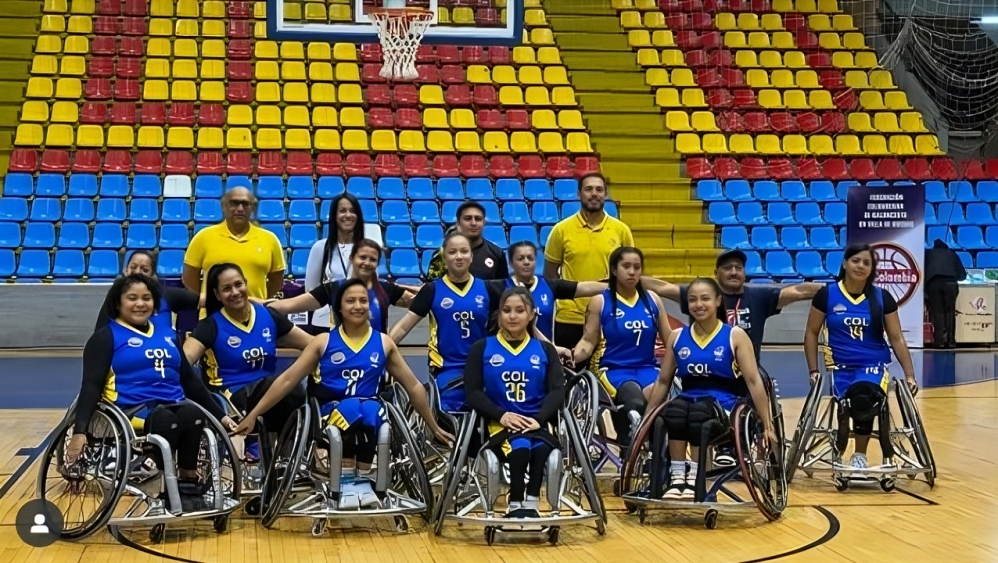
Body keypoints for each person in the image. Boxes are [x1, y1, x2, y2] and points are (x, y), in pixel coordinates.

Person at [233, 279, 453, 509]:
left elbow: (414, 386)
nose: (358, 306)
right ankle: (347, 480)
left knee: (370, 409)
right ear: (339, 307)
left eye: (363, 301)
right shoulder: (322, 342)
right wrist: (253, 415)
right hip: (328, 411)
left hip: (369, 409)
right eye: (350, 301)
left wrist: (434, 426)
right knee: (352, 408)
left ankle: (363, 480)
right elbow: (288, 380)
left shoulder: (384, 343)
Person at [66, 274, 235, 510]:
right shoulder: (105, 337)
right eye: (132, 298)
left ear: (154, 303)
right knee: (167, 419)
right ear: (118, 303)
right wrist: (80, 432)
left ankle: (188, 486)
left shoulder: (168, 335)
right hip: (129, 411)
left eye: (146, 298)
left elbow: (189, 379)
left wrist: (221, 416)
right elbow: (91, 385)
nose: (140, 303)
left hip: (173, 405)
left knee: (194, 415)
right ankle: (148, 469)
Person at [644, 277, 777, 499]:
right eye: (692, 299)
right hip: (688, 399)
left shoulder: (734, 335)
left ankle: (695, 477)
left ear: (718, 301)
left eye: (705, 299)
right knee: (674, 411)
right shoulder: (677, 337)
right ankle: (678, 478)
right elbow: (664, 381)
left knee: (698, 414)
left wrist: (767, 424)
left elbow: (754, 380)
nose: (698, 304)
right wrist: (647, 417)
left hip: (723, 405)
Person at [803, 243, 918, 473]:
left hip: (872, 365)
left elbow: (896, 337)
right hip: (839, 366)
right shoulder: (827, 294)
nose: (860, 266)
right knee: (846, 404)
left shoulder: (882, 297)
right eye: (855, 261)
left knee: (863, 398)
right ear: (845, 264)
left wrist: (910, 375)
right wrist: (813, 370)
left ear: (871, 269)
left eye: (866, 263)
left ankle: (859, 455)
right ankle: (838, 448)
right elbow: (811, 333)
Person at [182, 264, 313, 448]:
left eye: (238, 285)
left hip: (269, 393)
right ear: (217, 295)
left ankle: (292, 453)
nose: (235, 292)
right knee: (287, 387)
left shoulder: (268, 315)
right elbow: (182, 361)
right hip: (231, 397)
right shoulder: (210, 326)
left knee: (296, 386)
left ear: (246, 283)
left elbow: (312, 344)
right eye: (227, 289)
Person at [464, 287, 565, 516]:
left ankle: (532, 503)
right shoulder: (482, 348)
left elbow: (557, 391)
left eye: (520, 310)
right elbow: (473, 393)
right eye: (506, 310)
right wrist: (501, 415)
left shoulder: (545, 350)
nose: (512, 316)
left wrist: (539, 419)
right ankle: (515, 503)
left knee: (541, 449)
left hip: (536, 423)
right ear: (498, 314)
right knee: (520, 448)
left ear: (531, 315)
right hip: (499, 424)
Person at [642, 249, 821, 362]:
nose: (734, 272)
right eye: (727, 268)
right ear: (716, 273)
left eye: (739, 268)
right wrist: (628, 280)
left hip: (747, 372)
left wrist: (833, 289)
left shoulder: (759, 296)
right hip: (707, 368)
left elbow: (799, 291)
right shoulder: (701, 296)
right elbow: (661, 287)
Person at [571, 247, 672, 447]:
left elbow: (670, 339)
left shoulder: (653, 300)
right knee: (634, 402)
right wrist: (572, 355)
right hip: (612, 369)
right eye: (626, 266)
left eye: (637, 267)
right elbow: (588, 341)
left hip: (647, 368)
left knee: (661, 406)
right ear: (614, 270)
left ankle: (656, 456)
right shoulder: (600, 301)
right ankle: (628, 451)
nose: (632, 272)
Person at [543, 173, 634, 354]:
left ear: (605, 194)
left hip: (609, 314)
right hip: (569, 317)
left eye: (599, 189)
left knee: (609, 369)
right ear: (579, 194)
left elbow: (629, 275)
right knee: (569, 368)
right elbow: (550, 277)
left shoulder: (621, 230)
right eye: (588, 189)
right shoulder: (561, 230)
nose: (594, 194)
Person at [269, 239, 415, 334]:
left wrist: (392, 339)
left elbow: (420, 302)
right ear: (352, 258)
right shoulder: (333, 288)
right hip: (340, 359)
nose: (367, 263)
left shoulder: (386, 290)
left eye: (373, 259)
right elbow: (288, 305)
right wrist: (257, 304)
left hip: (376, 361)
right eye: (362, 257)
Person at [183, 187, 286, 312]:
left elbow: (276, 279)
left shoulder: (270, 239)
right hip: (213, 315)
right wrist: (210, 298)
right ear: (223, 206)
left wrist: (256, 300)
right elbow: (189, 277)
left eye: (245, 204)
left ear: (252, 208)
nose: (240, 209)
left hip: (256, 315)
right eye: (234, 203)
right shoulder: (203, 237)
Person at [504, 241, 607, 341]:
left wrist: (613, 286)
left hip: (544, 351)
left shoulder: (549, 285)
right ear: (511, 263)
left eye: (530, 258)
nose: (526, 262)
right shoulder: (501, 287)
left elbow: (584, 288)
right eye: (520, 258)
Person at [304, 193, 367, 329]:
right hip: (324, 321)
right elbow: (311, 289)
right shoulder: (320, 247)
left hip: (358, 320)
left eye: (352, 211)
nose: (348, 215)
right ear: (334, 216)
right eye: (342, 211)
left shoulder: (367, 249)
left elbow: (372, 287)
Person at [95, 250, 199, 330]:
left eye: (144, 270)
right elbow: (100, 330)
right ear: (126, 271)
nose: (137, 272)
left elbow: (199, 300)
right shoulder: (115, 294)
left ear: (153, 276)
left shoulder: (166, 295)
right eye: (133, 267)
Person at [426, 201, 508, 281]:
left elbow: (503, 287)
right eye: (468, 218)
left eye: (478, 219)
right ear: (458, 223)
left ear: (484, 223)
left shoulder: (497, 253)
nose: (473, 223)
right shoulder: (443, 253)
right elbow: (432, 287)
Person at [925, 239, 967, 349]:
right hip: (951, 284)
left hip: (934, 283)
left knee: (937, 313)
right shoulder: (952, 254)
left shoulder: (928, 254)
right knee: (950, 312)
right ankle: (951, 341)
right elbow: (962, 274)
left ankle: (939, 342)